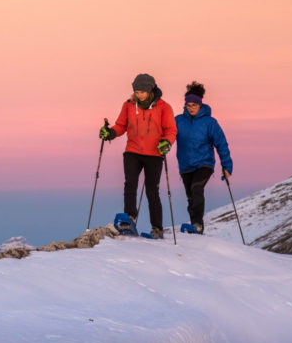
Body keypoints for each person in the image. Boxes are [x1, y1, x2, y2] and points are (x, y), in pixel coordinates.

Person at [99, 73, 177, 239]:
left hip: (154, 153)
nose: (139, 94)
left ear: (150, 90)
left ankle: (157, 228)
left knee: (152, 190)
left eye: (142, 91)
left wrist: (167, 142)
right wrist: (111, 133)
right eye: (136, 91)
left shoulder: (164, 107)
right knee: (130, 184)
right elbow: (121, 125)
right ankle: (129, 219)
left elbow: (171, 130)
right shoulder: (128, 105)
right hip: (132, 151)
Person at [174, 81, 233, 234]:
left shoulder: (210, 122)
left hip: (204, 163)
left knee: (196, 189)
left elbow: (221, 144)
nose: (191, 107)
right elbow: (167, 135)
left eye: (194, 104)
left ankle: (197, 225)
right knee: (190, 197)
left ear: (200, 104)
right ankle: (195, 225)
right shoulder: (178, 121)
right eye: (188, 105)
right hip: (185, 165)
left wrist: (226, 166)